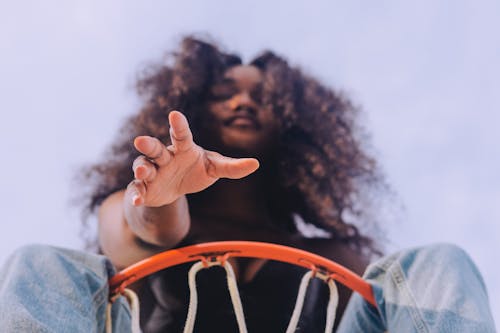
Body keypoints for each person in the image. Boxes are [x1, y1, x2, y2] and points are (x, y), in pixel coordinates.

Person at [0, 36, 495, 332]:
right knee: (43, 264)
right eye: (224, 93)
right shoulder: (142, 204)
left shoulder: (332, 251)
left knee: (432, 263)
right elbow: (145, 227)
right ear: (191, 104)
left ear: (293, 123)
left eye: (263, 96)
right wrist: (162, 198)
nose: (243, 101)